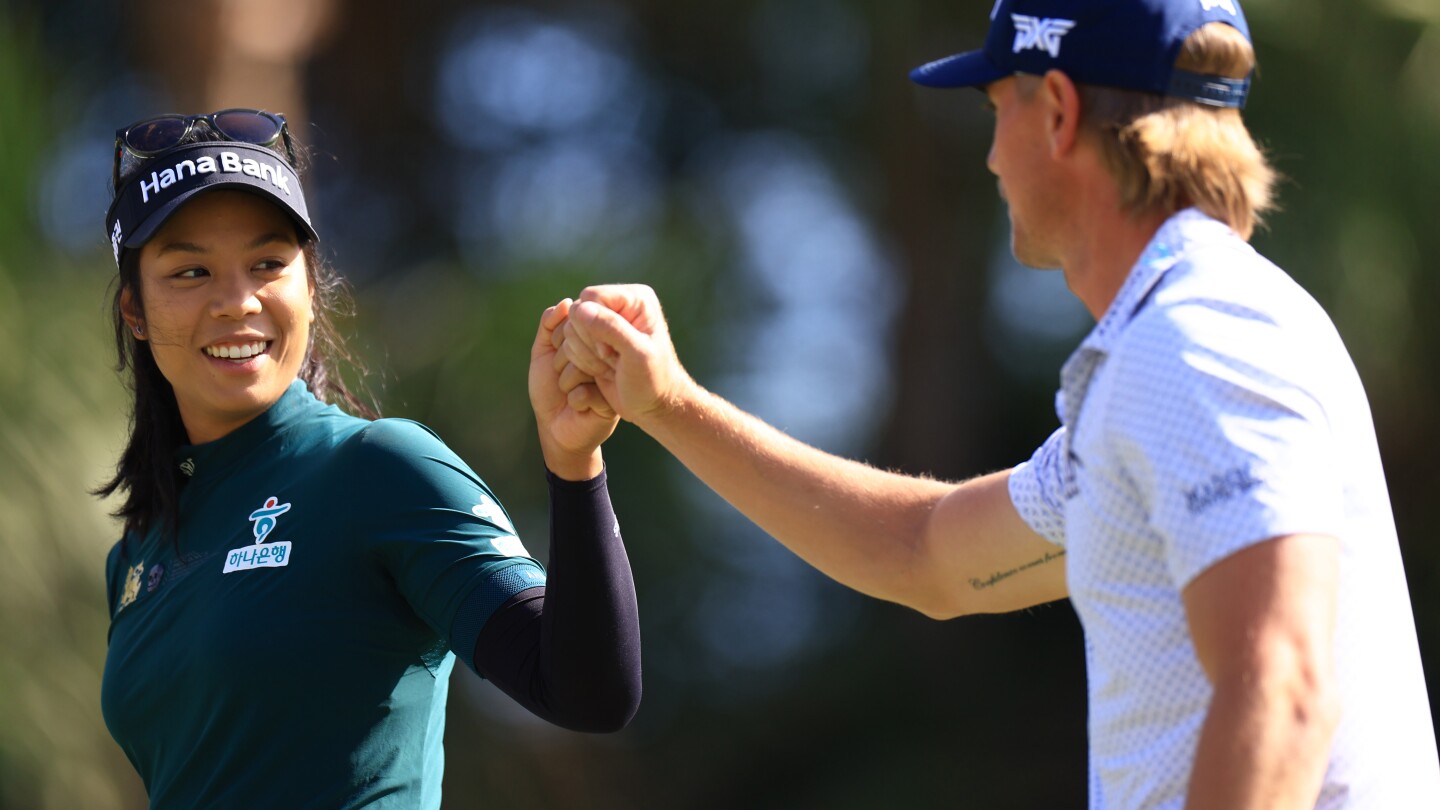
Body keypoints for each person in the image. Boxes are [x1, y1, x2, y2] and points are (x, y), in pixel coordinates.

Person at [550, 0, 1440, 806]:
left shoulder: (1194, 336)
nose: (989, 155)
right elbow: (926, 553)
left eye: (995, 107)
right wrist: (668, 403)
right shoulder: (1167, 347)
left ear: (1057, 112)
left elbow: (1283, 689)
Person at [95, 109, 641, 809]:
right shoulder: (137, 550)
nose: (237, 302)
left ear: (310, 288)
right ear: (135, 312)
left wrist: (574, 464)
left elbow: (590, 693)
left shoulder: (379, 468)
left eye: (268, 264)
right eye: (191, 271)